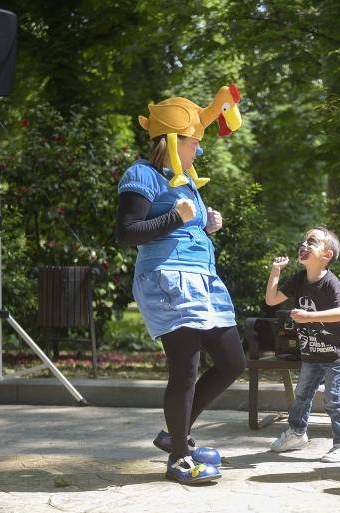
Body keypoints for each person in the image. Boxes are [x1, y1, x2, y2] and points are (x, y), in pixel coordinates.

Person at [116, 96, 246, 484]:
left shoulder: (185, 178)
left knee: (232, 363)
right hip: (166, 280)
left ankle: (175, 435)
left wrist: (206, 225)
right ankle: (177, 459)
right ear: (172, 141)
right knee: (185, 369)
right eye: (195, 143)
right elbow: (126, 233)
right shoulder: (141, 175)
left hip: (202, 279)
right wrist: (177, 217)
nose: (199, 150)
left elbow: (185, 224)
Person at [265, 227, 340, 463]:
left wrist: (309, 317)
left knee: (333, 400)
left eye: (312, 242)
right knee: (301, 395)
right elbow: (272, 299)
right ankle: (296, 433)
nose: (304, 244)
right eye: (304, 240)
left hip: (335, 353)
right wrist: (275, 271)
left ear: (326, 255)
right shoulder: (297, 280)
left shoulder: (330, 282)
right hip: (311, 352)